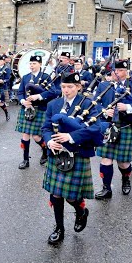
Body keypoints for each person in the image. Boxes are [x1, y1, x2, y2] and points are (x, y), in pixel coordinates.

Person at [41, 72, 101, 244]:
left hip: (77, 154)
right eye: (63, 87)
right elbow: (45, 128)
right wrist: (49, 142)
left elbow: (95, 128)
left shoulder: (88, 104)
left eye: (70, 87)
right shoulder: (54, 104)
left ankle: (81, 211)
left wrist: (70, 137)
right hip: (57, 155)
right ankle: (59, 228)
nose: (66, 90)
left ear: (78, 87)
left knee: (71, 197)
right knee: (56, 195)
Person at [93, 60, 132, 199]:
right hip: (108, 127)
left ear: (127, 72)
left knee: (123, 162)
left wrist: (128, 108)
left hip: (125, 127)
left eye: (120, 71)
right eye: (114, 71)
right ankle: (106, 189)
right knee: (106, 159)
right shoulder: (104, 86)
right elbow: (94, 104)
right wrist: (105, 111)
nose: (116, 73)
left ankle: (125, 179)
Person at [15, 55, 58, 169]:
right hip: (27, 109)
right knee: (25, 135)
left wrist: (38, 96)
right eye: (30, 63)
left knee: (36, 137)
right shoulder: (25, 77)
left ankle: (45, 150)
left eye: (34, 64)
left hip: (39, 109)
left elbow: (53, 92)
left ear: (40, 64)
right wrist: (23, 101)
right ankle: (25, 160)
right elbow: (19, 93)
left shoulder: (45, 77)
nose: (32, 66)